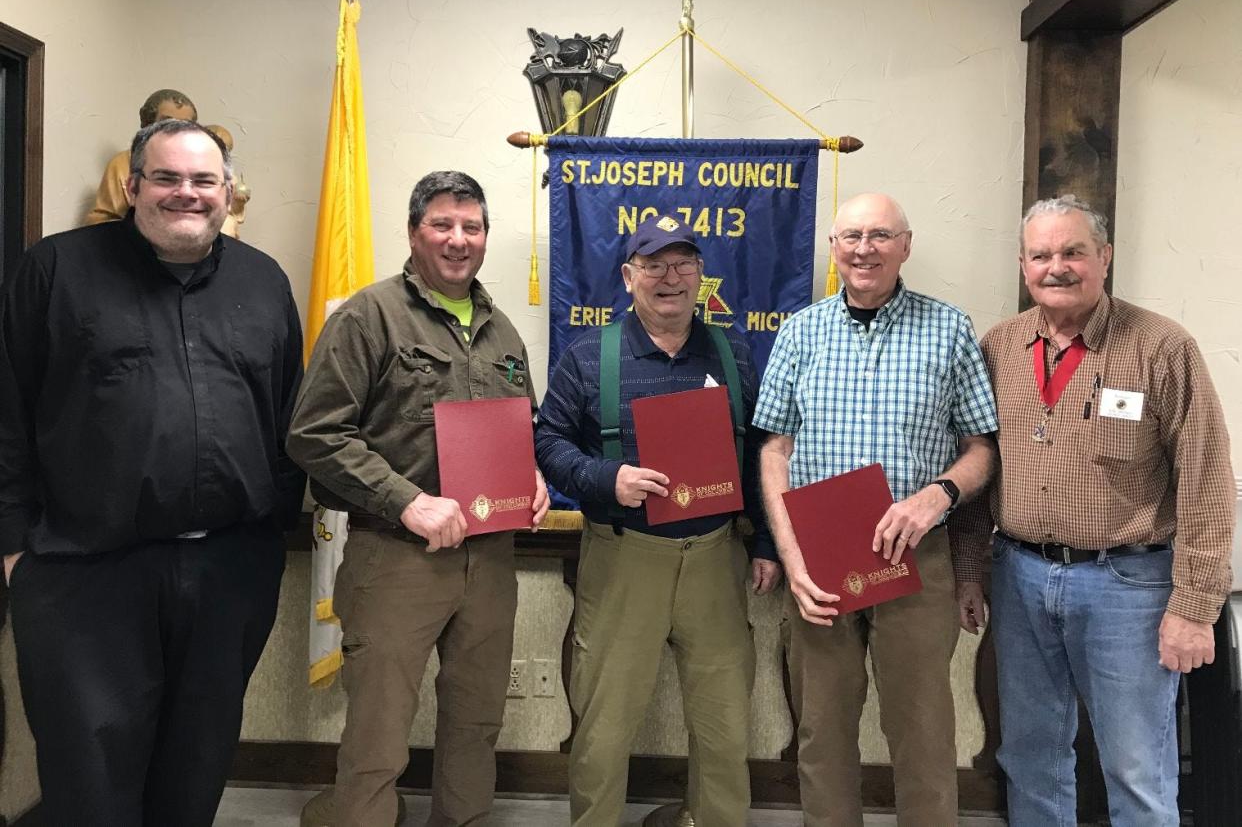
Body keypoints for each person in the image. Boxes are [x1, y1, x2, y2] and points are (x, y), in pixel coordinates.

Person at [0, 119, 304, 825]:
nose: (186, 194)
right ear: (133, 186)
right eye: (166, 178)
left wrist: (268, 540)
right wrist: (14, 548)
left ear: (227, 192)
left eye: (204, 181)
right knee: (90, 781)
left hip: (227, 572)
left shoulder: (262, 281)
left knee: (195, 770)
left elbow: (289, 414)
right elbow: (8, 413)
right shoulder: (54, 271)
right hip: (86, 576)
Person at [951, 194, 1235, 825]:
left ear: (1104, 257)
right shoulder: (996, 348)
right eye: (1042, 254)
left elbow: (1208, 482)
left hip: (1128, 586)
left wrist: (1194, 607)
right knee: (1028, 755)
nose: (1058, 266)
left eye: (1073, 251)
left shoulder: (1162, 348)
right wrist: (970, 570)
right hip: (1018, 579)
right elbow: (977, 460)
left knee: (1135, 766)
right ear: (1024, 265)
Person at [287, 170, 550, 826]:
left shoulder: (502, 332)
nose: (458, 239)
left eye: (472, 226)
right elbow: (314, 434)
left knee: (477, 722)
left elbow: (525, 426)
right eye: (442, 223)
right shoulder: (368, 315)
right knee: (377, 740)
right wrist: (406, 500)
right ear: (413, 232)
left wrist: (533, 477)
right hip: (396, 559)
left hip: (489, 562)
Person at [754, 192, 998, 826]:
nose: (865, 249)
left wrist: (937, 494)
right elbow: (774, 448)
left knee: (922, 732)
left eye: (881, 236)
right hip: (821, 560)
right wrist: (791, 555)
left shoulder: (949, 329)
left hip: (919, 557)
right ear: (833, 248)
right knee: (822, 731)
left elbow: (982, 449)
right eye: (852, 236)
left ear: (906, 246)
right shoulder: (800, 331)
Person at [535, 213, 782, 827]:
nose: (669, 277)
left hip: (715, 558)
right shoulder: (588, 356)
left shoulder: (735, 353)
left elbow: (759, 456)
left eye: (683, 263)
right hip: (624, 558)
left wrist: (769, 544)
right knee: (604, 723)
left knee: (724, 723)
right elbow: (547, 442)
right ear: (628, 276)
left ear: (701, 274)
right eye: (653, 264)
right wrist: (604, 480)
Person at [86, 89, 246, 237]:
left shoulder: (203, 163)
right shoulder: (121, 164)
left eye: (185, 124)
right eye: (167, 123)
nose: (185, 192)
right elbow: (102, 220)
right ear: (147, 122)